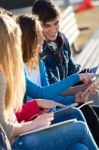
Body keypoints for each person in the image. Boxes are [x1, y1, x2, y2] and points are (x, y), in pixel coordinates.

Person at [0, 14, 98, 150]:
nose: (42, 39)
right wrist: (77, 78)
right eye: (38, 35)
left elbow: (46, 96)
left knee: (79, 146)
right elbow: (42, 93)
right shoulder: (10, 72)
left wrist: (75, 96)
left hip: (29, 122)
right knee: (80, 128)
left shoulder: (38, 63)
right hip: (19, 137)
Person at [32, 0, 99, 104]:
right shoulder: (39, 52)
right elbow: (56, 91)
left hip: (69, 86)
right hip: (58, 98)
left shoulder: (61, 38)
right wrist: (85, 87)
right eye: (47, 26)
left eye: (56, 23)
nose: (53, 30)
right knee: (95, 95)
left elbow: (73, 71)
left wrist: (89, 79)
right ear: (37, 25)